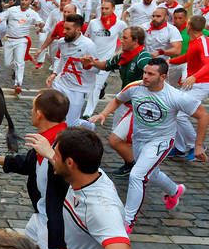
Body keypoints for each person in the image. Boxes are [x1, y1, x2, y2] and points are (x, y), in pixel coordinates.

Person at [90, 58, 208, 231]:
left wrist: (197, 146)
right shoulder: (135, 87)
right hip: (139, 139)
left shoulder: (176, 96)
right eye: (145, 72)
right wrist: (104, 114)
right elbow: (117, 99)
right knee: (151, 173)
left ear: (163, 77)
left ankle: (127, 221)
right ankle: (175, 191)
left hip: (161, 141)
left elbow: (203, 115)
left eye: (150, 74)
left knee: (137, 175)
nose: (145, 76)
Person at [0, 89, 70, 249]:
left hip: (56, 223)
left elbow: (74, 179)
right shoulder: (46, 139)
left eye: (32, 107)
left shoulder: (66, 143)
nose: (31, 112)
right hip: (41, 216)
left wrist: (52, 157)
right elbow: (27, 163)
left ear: (39, 114)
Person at [83, 26, 152, 176]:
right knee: (118, 137)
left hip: (137, 105)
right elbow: (106, 65)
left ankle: (137, 166)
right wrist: (93, 62)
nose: (121, 40)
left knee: (119, 139)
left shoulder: (143, 57)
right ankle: (133, 164)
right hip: (124, 101)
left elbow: (152, 72)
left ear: (136, 41)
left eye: (125, 38)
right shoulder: (122, 55)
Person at [46, 13, 98, 126]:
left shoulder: (89, 45)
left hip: (78, 89)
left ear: (78, 29)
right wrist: (54, 74)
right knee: (51, 114)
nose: (64, 31)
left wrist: (88, 65)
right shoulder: (62, 42)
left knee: (71, 123)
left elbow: (97, 70)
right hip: (60, 83)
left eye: (68, 29)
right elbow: (61, 59)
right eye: (64, 28)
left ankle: (89, 126)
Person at [169, 15, 209, 160]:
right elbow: (187, 58)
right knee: (174, 111)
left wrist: (194, 76)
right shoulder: (194, 42)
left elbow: (208, 64)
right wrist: (168, 60)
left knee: (181, 115)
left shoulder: (202, 42)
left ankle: (195, 145)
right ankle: (179, 148)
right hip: (192, 83)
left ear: (189, 26)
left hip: (201, 83)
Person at [83, 1, 128, 116]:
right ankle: (103, 86)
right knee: (87, 84)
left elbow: (126, 39)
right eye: (102, 8)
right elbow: (86, 38)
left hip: (106, 61)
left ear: (113, 9)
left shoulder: (120, 24)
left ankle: (87, 114)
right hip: (91, 59)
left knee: (95, 87)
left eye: (106, 8)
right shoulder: (93, 23)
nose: (103, 11)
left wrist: (118, 53)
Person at [3, 0, 44, 95]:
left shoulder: (32, 13)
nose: (24, 2)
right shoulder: (12, 10)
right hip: (9, 40)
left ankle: (18, 84)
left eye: (26, 0)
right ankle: (14, 68)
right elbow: (2, 16)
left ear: (30, 1)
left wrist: (40, 24)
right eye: (22, 0)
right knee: (7, 63)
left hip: (22, 40)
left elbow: (40, 21)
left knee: (20, 62)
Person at [145, 7, 183, 86]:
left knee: (160, 87)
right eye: (153, 16)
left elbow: (177, 50)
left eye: (158, 16)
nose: (155, 18)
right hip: (145, 63)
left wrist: (161, 52)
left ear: (166, 17)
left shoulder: (172, 29)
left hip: (162, 65)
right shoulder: (145, 27)